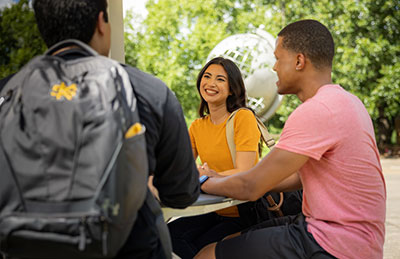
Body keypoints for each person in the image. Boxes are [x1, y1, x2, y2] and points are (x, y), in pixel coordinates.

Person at [0, 0, 200, 258]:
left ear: (43, 28)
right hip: (129, 249)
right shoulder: (148, 91)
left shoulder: (8, 92)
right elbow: (182, 193)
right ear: (101, 23)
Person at [196, 19, 386, 259]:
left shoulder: (317, 110)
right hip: (354, 237)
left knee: (207, 254)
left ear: (298, 61)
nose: (274, 67)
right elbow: (296, 177)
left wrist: (201, 182)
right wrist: (223, 177)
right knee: (229, 241)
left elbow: (251, 187)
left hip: (332, 242)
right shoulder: (348, 102)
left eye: (278, 58)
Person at [168, 57, 261, 258]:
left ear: (232, 89)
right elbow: (181, 169)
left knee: (195, 248)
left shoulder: (242, 117)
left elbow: (246, 171)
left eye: (220, 79)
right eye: (207, 76)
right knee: (165, 236)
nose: (210, 83)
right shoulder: (197, 126)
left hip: (243, 211)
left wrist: (212, 175)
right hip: (212, 210)